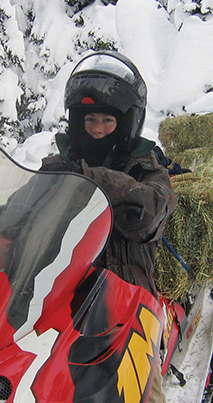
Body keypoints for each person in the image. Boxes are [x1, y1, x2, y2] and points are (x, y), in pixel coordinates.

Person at [41, 51, 177, 298]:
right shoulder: (62, 165)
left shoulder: (146, 169)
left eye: (107, 120)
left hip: (129, 299)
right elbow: (23, 208)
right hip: (69, 292)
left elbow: (148, 215)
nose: (97, 129)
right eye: (89, 119)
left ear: (125, 124)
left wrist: (85, 177)